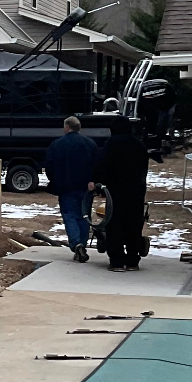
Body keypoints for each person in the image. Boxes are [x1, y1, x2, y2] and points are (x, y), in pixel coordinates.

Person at [43, 115, 99, 263]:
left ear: (67, 127)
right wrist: (94, 181)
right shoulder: (90, 143)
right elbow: (97, 164)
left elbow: (49, 165)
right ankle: (83, 244)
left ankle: (76, 244)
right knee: (84, 216)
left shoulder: (57, 144)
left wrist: (54, 180)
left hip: (65, 187)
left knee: (69, 215)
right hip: (86, 188)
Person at [95, 123, 150, 270]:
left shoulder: (112, 144)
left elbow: (104, 165)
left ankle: (117, 260)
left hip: (116, 192)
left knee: (115, 226)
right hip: (136, 192)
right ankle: (133, 260)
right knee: (134, 226)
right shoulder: (139, 144)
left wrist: (99, 183)